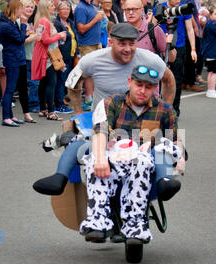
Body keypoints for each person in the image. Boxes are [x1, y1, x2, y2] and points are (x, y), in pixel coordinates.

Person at [32, 23, 180, 200]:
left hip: (139, 122)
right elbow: (72, 83)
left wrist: (163, 110)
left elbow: (169, 80)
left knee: (162, 147)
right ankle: (60, 178)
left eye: (131, 44)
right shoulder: (91, 60)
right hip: (104, 122)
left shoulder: (149, 59)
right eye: (122, 44)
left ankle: (163, 183)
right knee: (78, 143)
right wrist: (80, 115)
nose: (127, 49)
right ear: (110, 42)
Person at [79, 64, 182, 243]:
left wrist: (175, 164)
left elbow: (175, 143)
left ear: (155, 88)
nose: (142, 90)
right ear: (130, 82)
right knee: (93, 157)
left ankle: (135, 225)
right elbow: (100, 131)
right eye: (138, 85)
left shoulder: (165, 110)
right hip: (113, 162)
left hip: (143, 166)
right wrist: (101, 159)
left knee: (143, 160)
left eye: (148, 87)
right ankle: (98, 221)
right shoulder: (112, 102)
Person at [155, 0, 198, 117]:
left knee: (176, 80)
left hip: (179, 47)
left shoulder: (184, 8)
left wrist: (193, 49)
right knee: (158, 79)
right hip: (161, 47)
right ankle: (157, 109)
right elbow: (153, 25)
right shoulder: (160, 7)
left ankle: (174, 111)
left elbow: (190, 29)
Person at [0, 0, 36, 127]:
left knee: (14, 87)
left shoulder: (11, 23)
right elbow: (20, 39)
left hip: (17, 57)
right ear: (15, 10)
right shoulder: (6, 25)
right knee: (10, 89)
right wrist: (24, 25)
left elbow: (19, 39)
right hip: (12, 59)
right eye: (20, 9)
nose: (23, 11)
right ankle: (6, 117)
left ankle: (10, 115)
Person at [31, 0, 67, 120]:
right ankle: (51, 111)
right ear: (45, 8)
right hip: (47, 55)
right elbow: (45, 40)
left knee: (44, 82)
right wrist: (59, 35)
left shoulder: (41, 20)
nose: (53, 7)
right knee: (51, 82)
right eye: (51, 5)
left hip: (44, 53)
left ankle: (43, 109)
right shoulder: (44, 21)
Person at [74, 0, 105, 111]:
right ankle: (87, 99)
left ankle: (92, 97)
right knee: (87, 73)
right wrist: (96, 19)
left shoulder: (90, 6)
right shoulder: (81, 8)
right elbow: (81, 29)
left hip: (96, 43)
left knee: (95, 72)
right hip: (87, 44)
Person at [53, 0, 78, 114]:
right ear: (58, 11)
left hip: (71, 54)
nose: (66, 11)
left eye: (68, 9)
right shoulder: (56, 24)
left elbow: (74, 38)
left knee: (66, 80)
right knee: (61, 80)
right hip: (61, 56)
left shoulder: (70, 22)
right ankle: (59, 104)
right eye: (64, 9)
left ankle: (62, 101)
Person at [22, 0, 41, 114]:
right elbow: (17, 40)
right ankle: (33, 104)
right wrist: (30, 37)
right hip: (25, 55)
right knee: (33, 82)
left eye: (31, 7)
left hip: (34, 54)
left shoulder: (35, 21)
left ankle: (34, 102)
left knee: (35, 81)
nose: (30, 9)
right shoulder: (19, 21)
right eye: (27, 7)